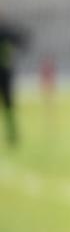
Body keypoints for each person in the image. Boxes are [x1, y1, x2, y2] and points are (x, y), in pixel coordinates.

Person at [0, 14, 26, 147]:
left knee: (8, 105)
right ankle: (12, 133)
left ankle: (12, 133)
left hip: (5, 73)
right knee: (8, 104)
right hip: (5, 72)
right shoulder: (5, 30)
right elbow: (21, 39)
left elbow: (20, 39)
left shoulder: (5, 30)